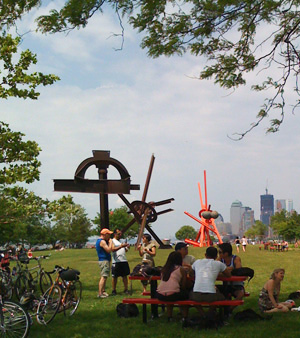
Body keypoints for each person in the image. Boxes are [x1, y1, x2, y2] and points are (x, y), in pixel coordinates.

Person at [156, 251, 189, 321]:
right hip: (173, 295)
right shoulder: (181, 269)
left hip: (159, 294)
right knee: (186, 295)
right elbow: (184, 285)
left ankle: (169, 316)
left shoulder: (164, 269)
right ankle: (185, 317)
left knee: (170, 292)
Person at [111, 229, 130, 295]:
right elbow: (112, 249)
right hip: (116, 261)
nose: (120, 235)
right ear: (115, 234)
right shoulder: (112, 241)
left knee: (124, 276)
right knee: (115, 276)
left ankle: (126, 289)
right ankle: (114, 290)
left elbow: (125, 250)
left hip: (124, 260)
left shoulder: (121, 241)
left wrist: (126, 247)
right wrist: (121, 246)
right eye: (119, 234)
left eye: (121, 234)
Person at [96, 228, 113, 298]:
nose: (109, 236)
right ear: (105, 235)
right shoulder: (102, 242)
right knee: (103, 276)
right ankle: (100, 293)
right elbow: (108, 250)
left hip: (104, 260)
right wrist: (111, 242)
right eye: (108, 235)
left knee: (105, 276)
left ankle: (103, 291)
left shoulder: (99, 241)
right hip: (104, 260)